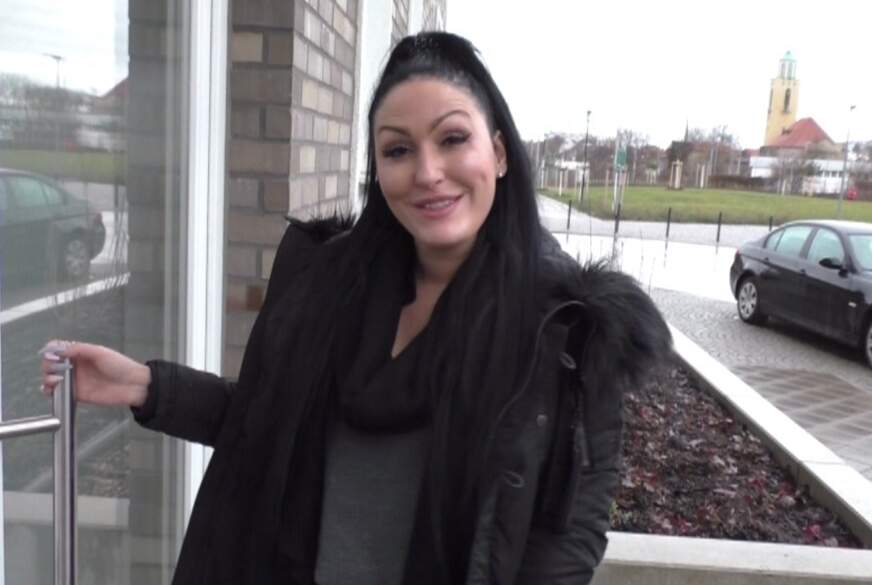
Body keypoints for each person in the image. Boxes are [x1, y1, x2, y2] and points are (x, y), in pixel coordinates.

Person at [41, 31, 671, 585]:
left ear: (500, 154)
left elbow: (568, 538)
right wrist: (147, 386)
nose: (428, 172)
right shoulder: (329, 282)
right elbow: (268, 423)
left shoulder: (566, 330)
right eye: (398, 150)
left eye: (453, 138)